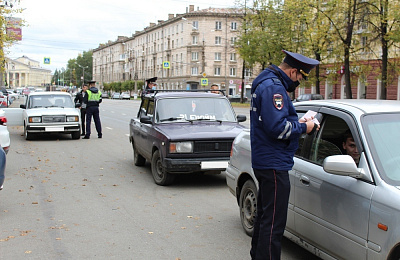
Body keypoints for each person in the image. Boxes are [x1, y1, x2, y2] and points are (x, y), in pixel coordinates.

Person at [250, 50, 320, 260]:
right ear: (292, 71)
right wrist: (304, 128)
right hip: (274, 163)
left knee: (265, 218)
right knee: (273, 224)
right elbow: (277, 129)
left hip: (266, 160)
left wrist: (296, 122)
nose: (299, 81)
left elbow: (273, 123)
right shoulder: (275, 88)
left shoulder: (266, 82)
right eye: (300, 76)